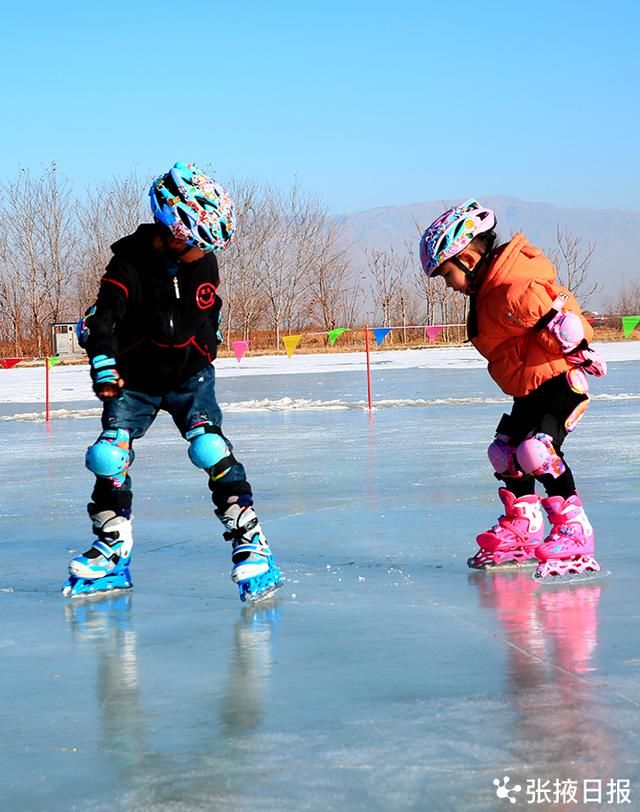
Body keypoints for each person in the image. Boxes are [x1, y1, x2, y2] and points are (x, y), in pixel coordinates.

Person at [63, 162, 282, 602]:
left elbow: (209, 304)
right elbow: (102, 318)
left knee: (209, 447)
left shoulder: (205, 264)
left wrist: (209, 339)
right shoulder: (127, 265)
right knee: (109, 456)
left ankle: (250, 539)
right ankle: (112, 546)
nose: (207, 252)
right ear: (177, 234)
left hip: (189, 374)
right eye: (201, 243)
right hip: (134, 379)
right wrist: (104, 362)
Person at [419, 199, 607, 580]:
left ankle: (574, 529)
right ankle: (524, 522)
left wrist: (578, 348)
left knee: (536, 450)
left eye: (445, 274)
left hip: (560, 383)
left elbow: (559, 316)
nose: (448, 285)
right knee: (504, 452)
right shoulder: (489, 291)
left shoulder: (512, 286)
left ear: (468, 261)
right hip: (529, 388)